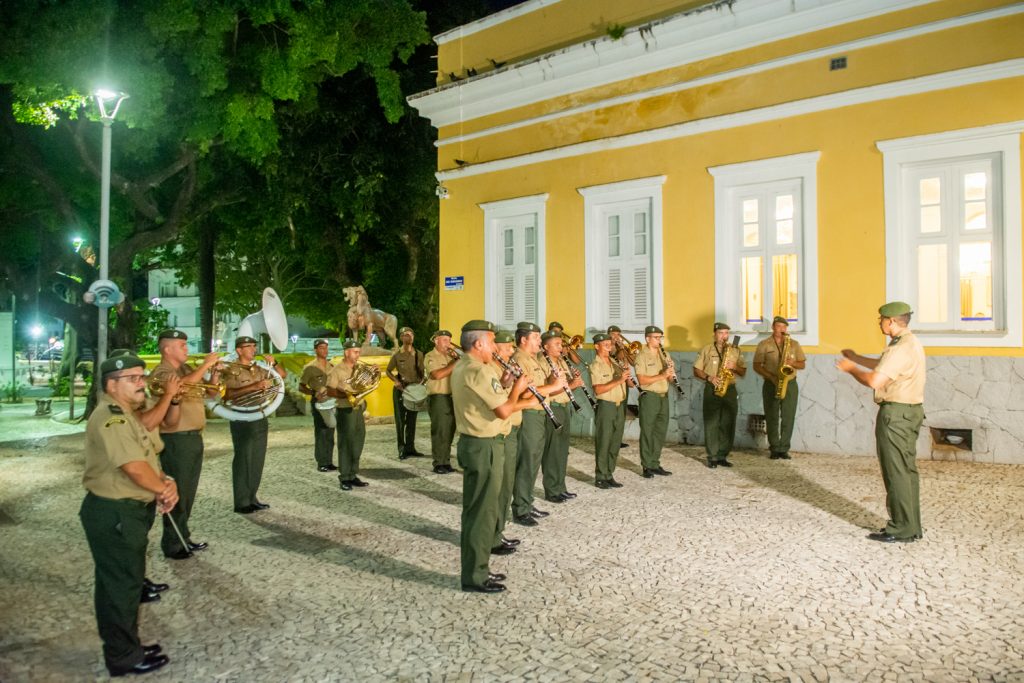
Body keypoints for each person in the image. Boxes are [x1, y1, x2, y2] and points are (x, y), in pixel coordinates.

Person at [80, 354, 178, 676]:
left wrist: (163, 483)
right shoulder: (113, 418)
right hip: (115, 513)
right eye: (133, 378)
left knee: (123, 583)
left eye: (141, 376)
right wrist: (162, 490)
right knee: (120, 586)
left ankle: (126, 645)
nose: (141, 382)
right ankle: (122, 656)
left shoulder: (127, 413)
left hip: (125, 510)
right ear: (112, 384)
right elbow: (134, 468)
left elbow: (146, 456)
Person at [451, 320, 533, 594]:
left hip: (478, 444)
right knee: (481, 513)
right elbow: (504, 410)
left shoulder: (466, 366)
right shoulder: (479, 370)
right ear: (478, 344)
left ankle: (479, 568)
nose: (494, 347)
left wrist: (507, 382)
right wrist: (519, 388)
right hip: (483, 446)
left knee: (480, 510)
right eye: (490, 341)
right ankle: (475, 576)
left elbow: (486, 401)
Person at [837, 302, 926, 543]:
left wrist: (851, 369)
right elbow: (883, 366)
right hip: (909, 412)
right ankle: (911, 525)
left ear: (893, 322)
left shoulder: (899, 349)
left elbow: (876, 380)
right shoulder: (909, 343)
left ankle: (901, 528)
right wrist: (857, 357)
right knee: (907, 472)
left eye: (881, 319)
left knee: (896, 472)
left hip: (896, 415)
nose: (879, 322)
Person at [147, 330, 220, 559]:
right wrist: (206, 365)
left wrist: (214, 375)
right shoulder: (163, 372)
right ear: (167, 349)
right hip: (176, 438)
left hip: (192, 437)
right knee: (177, 493)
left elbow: (210, 393)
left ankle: (182, 536)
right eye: (182, 345)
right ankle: (173, 544)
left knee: (187, 492)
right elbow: (179, 386)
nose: (187, 349)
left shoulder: (186, 369)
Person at [223, 336, 286, 513]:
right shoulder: (230, 369)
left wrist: (273, 364)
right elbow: (226, 394)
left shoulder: (258, 367)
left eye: (254, 346)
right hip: (242, 417)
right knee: (243, 459)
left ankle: (252, 496)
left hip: (260, 415)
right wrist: (254, 387)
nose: (253, 349)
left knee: (257, 459)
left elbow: (282, 376)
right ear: (239, 350)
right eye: (248, 346)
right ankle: (241, 501)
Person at [510, 322, 561, 527]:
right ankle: (520, 509)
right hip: (529, 413)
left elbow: (539, 385)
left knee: (534, 461)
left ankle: (527, 502)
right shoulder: (519, 359)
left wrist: (551, 379)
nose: (540, 341)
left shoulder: (532, 359)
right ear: (524, 340)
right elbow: (524, 392)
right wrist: (552, 385)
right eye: (536, 338)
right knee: (527, 461)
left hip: (539, 414)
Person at [693, 322, 746, 468]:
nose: (724, 336)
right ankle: (713, 456)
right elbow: (696, 370)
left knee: (728, 422)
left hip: (729, 388)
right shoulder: (707, 349)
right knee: (712, 423)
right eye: (721, 333)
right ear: (714, 334)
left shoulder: (735, 350)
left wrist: (734, 366)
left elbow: (743, 371)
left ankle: (723, 455)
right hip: (712, 388)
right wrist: (709, 378)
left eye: (727, 333)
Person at [753, 317, 807, 460]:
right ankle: (774, 448)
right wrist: (771, 377)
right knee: (772, 416)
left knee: (788, 417)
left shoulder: (794, 344)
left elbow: (802, 364)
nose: (782, 329)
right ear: (773, 327)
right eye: (779, 326)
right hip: (771, 383)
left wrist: (793, 362)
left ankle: (784, 448)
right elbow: (757, 365)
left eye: (784, 326)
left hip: (790, 383)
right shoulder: (764, 344)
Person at [491, 330, 522, 553]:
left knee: (506, 484)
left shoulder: (501, 367)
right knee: (496, 489)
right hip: (496, 432)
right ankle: (492, 537)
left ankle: (498, 532)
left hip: (508, 428)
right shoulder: (488, 369)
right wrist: (511, 385)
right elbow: (500, 403)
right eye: (508, 347)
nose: (512, 351)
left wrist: (509, 379)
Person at [539, 331, 580, 504]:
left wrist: (574, 384)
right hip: (553, 407)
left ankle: (560, 487)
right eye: (557, 344)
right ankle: (551, 489)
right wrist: (571, 384)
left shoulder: (561, 360)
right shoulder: (543, 363)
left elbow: (566, 388)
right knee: (552, 451)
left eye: (561, 344)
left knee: (562, 450)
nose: (561, 347)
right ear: (546, 346)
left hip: (564, 407)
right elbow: (550, 389)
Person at [325, 340, 370, 491]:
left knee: (358, 441)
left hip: (358, 409)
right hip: (345, 409)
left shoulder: (360, 368)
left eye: (359, 351)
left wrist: (371, 374)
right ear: (347, 352)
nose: (358, 354)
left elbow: (366, 385)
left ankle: (353, 474)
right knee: (346, 444)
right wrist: (346, 395)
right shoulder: (337, 370)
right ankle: (344, 477)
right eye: (355, 352)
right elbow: (330, 391)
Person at [634, 325, 674, 478]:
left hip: (663, 396)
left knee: (660, 432)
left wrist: (671, 374)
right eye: (656, 337)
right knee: (648, 432)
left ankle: (655, 462)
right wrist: (663, 375)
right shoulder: (641, 356)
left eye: (660, 337)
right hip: (649, 396)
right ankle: (646, 465)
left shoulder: (665, 354)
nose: (659, 340)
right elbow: (642, 380)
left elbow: (669, 378)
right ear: (647, 339)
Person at [589, 333, 628, 488]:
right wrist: (618, 379)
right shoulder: (595, 365)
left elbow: (628, 384)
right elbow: (598, 389)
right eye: (604, 344)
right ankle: (600, 476)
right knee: (604, 441)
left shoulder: (614, 362)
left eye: (609, 343)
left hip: (619, 406)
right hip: (606, 406)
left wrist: (625, 375)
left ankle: (609, 473)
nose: (608, 346)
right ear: (596, 346)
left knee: (615, 442)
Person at [386, 326, 425, 460]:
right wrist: (396, 381)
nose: (407, 337)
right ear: (401, 338)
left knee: (412, 420)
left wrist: (421, 384)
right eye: (404, 335)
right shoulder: (397, 355)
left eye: (410, 334)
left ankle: (410, 447)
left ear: (413, 337)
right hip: (401, 390)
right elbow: (388, 371)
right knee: (400, 421)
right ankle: (401, 448)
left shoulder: (418, 354)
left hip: (413, 390)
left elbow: (422, 372)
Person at [298, 339, 338, 472]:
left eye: (326, 348)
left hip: (332, 401)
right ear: (316, 350)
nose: (325, 350)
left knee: (331, 431)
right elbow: (301, 387)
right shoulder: (310, 367)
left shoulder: (332, 366)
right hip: (319, 402)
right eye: (321, 348)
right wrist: (313, 392)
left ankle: (329, 460)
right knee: (321, 432)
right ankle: (321, 462)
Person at [424, 330, 458, 474]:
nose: (448, 344)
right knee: (440, 431)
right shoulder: (431, 356)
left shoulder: (451, 356)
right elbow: (437, 375)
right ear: (436, 341)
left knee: (449, 430)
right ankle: (438, 463)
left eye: (449, 340)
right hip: (439, 397)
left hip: (452, 397)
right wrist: (455, 362)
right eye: (444, 340)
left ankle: (446, 461)